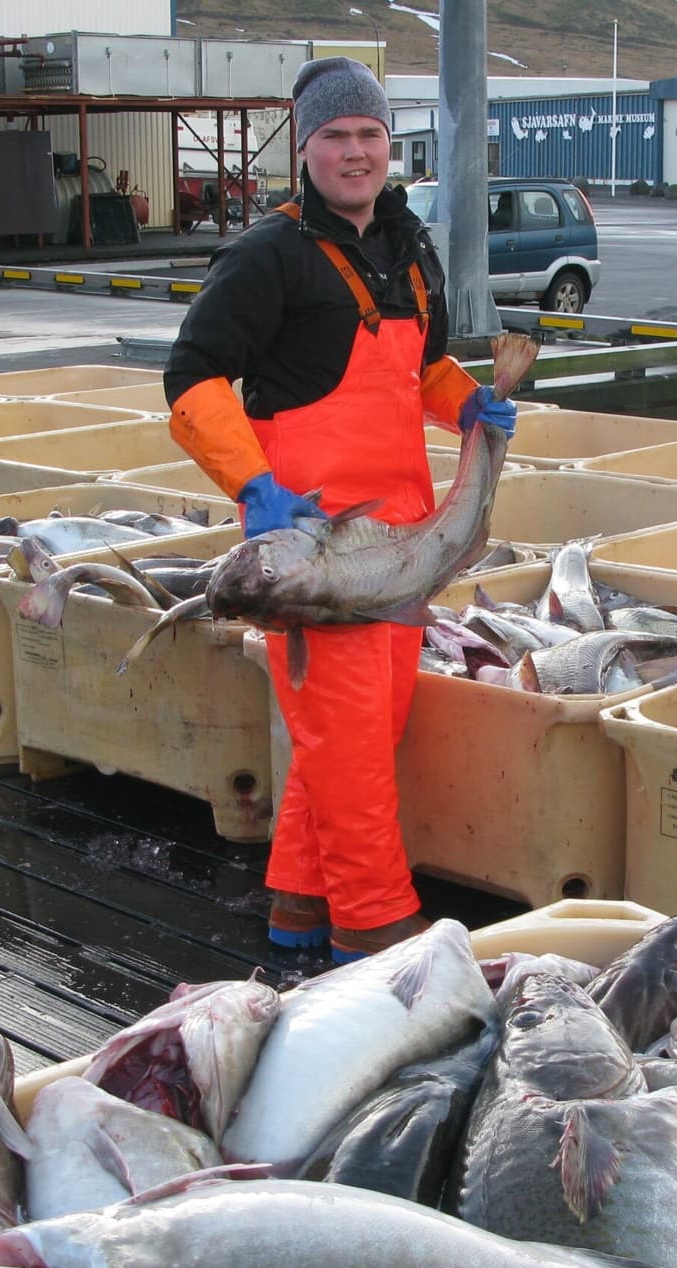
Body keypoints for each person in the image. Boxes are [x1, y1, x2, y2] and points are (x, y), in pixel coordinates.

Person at [164, 56, 516, 962]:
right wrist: (253, 486)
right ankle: (375, 933)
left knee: (357, 733)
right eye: (335, 137)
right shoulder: (265, 255)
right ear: (305, 147)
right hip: (315, 556)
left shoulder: (408, 245)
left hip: (405, 543)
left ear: (387, 144)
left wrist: (471, 404)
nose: (355, 153)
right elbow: (191, 379)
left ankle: (297, 906)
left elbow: (422, 368)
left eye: (369, 135)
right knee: (352, 751)